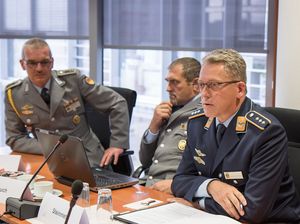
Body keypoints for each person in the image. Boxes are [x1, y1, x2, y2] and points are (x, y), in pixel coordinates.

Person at [171, 49, 300, 223]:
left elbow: (253, 210)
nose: (204, 94)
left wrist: (196, 203)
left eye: (214, 85)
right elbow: (179, 181)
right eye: (201, 84)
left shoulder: (265, 133)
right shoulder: (197, 122)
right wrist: (211, 187)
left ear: (240, 89)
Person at [4, 38, 129, 167]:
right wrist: (50, 148)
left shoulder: (74, 81)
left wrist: (118, 144)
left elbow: (117, 103)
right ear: (22, 64)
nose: (39, 68)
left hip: (88, 159)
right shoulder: (14, 94)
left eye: (44, 62)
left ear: (52, 63)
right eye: (32, 63)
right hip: (48, 161)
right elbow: (15, 138)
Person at [139, 57, 202, 193]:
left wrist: (179, 186)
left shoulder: (204, 114)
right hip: (147, 185)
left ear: (196, 84)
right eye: (168, 82)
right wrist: (153, 127)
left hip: (172, 190)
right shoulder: (168, 109)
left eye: (175, 82)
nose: (168, 89)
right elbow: (144, 161)